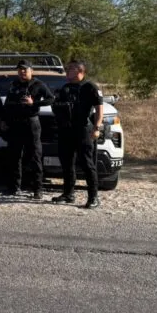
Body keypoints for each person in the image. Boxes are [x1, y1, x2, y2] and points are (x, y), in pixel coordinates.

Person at [51, 60, 104, 209]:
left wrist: (97, 127)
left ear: (80, 71)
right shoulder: (65, 88)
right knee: (67, 163)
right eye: (67, 69)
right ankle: (68, 194)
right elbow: (56, 106)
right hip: (66, 130)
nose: (67, 72)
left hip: (82, 130)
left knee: (87, 164)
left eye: (71, 69)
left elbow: (99, 108)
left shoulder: (89, 87)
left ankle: (93, 197)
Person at [0, 59, 54, 199]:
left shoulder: (38, 84)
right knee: (14, 156)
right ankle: (14, 187)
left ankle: (37, 189)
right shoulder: (14, 84)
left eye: (25, 69)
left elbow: (50, 99)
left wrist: (34, 103)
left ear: (31, 70)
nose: (22, 72)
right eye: (20, 70)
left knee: (35, 156)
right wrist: (4, 120)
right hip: (15, 124)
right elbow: (7, 104)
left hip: (31, 123)